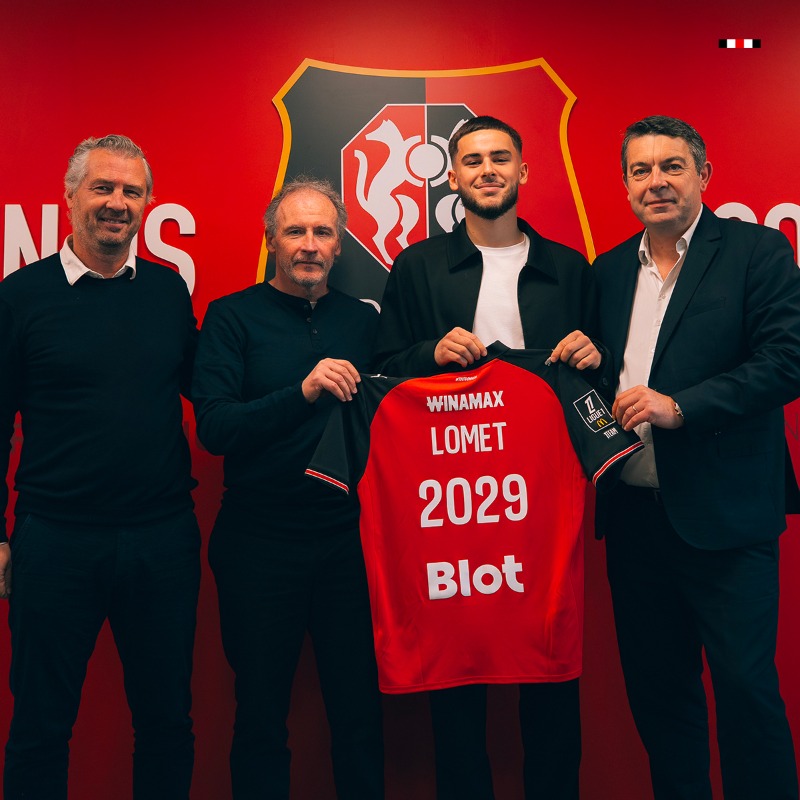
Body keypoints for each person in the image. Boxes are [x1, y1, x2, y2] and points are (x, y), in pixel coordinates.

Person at [374, 115, 604, 800]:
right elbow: (381, 372)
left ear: (523, 171)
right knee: (457, 678)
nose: (487, 170)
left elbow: (606, 380)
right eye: (472, 160)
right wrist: (428, 354)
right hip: (450, 506)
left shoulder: (569, 268)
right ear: (452, 176)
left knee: (551, 673)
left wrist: (594, 356)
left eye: (500, 157)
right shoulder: (417, 266)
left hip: (542, 502)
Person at [594, 115, 800, 800]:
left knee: (746, 693)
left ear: (704, 175)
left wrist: (679, 406)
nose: (656, 181)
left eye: (672, 166)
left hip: (727, 519)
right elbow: (595, 379)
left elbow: (787, 360)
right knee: (661, 699)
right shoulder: (607, 271)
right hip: (635, 521)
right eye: (641, 170)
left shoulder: (756, 251)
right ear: (626, 186)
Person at [0, 134, 201, 799]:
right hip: (55, 542)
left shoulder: (168, 292)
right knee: (39, 727)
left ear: (147, 203)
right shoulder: (19, 297)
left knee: (167, 723)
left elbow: (213, 393)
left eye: (131, 191)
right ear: (70, 196)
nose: (118, 203)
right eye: (103, 188)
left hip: (161, 539)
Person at [192, 177, 384, 799]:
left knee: (359, 713)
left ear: (340, 245)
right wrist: (302, 391)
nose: (309, 244)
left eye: (322, 232)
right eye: (295, 231)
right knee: (259, 715)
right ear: (271, 240)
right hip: (258, 543)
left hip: (348, 544)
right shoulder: (231, 317)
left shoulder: (363, 320)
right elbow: (216, 427)